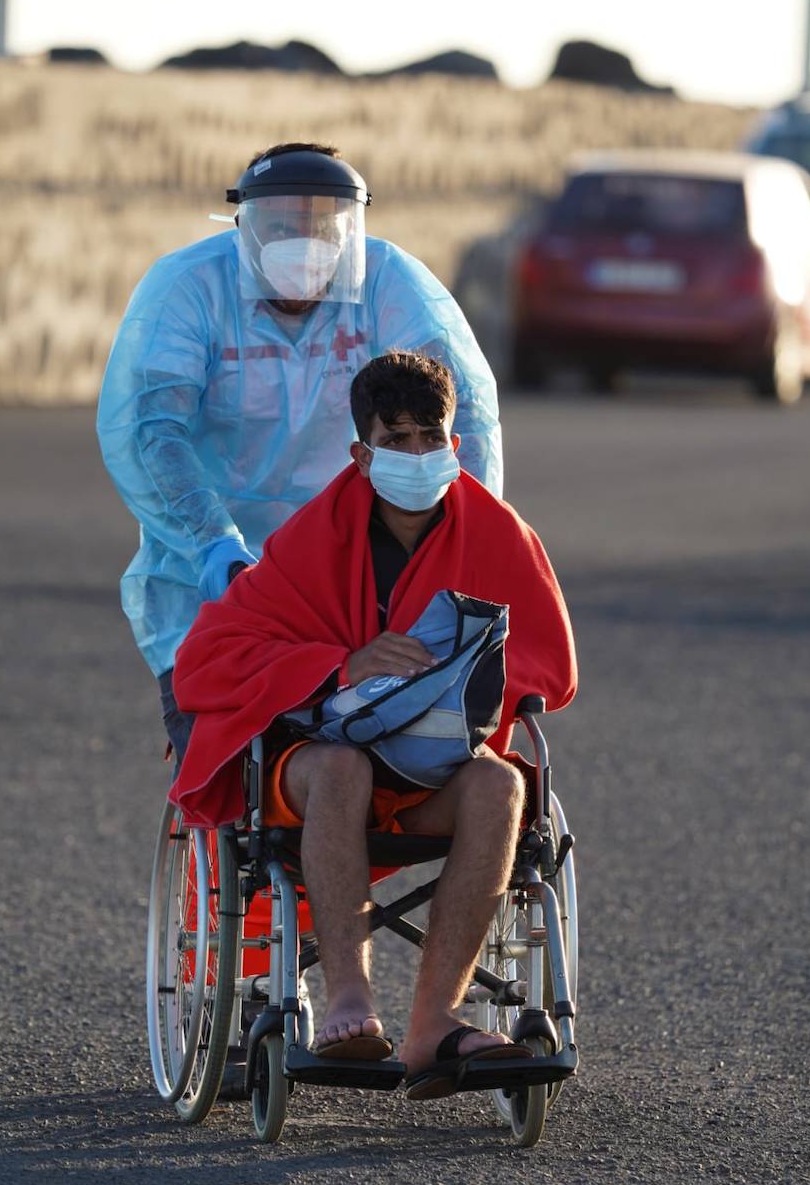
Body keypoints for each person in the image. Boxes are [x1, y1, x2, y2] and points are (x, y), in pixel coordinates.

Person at [170, 352, 577, 1099]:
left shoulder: (497, 533)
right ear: (363, 453)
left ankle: (435, 1024)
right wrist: (341, 664)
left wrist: (459, 676)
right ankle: (351, 1001)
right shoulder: (311, 537)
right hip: (320, 766)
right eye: (398, 440)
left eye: (432, 436)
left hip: (434, 769)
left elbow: (550, 668)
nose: (419, 454)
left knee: (499, 788)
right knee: (342, 767)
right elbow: (210, 657)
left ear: (455, 442)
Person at [96, 143, 502, 774]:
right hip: (215, 580)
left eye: (321, 226)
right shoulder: (188, 289)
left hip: (356, 578)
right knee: (230, 766)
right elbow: (152, 426)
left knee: (389, 765)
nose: (304, 241)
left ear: (349, 228)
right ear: (244, 226)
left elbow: (463, 412)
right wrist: (211, 543)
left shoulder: (388, 282)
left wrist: (465, 534)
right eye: (283, 226)